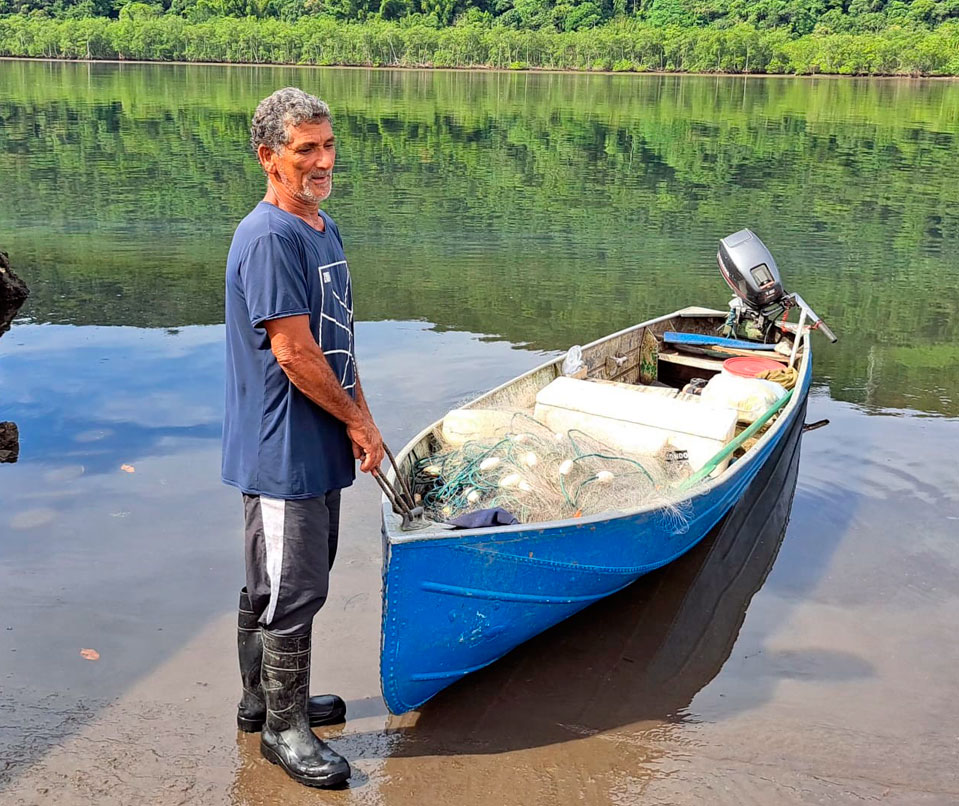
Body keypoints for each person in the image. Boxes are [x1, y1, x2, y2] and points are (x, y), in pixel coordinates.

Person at [221, 87, 384, 789]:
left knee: (288, 578)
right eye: (304, 151)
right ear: (268, 158)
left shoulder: (321, 226)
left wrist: (362, 416)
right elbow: (291, 352)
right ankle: (284, 731)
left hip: (320, 432)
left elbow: (335, 340)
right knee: (289, 587)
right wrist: (351, 419)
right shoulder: (268, 238)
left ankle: (265, 701)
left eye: (328, 146)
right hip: (283, 442)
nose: (322, 162)